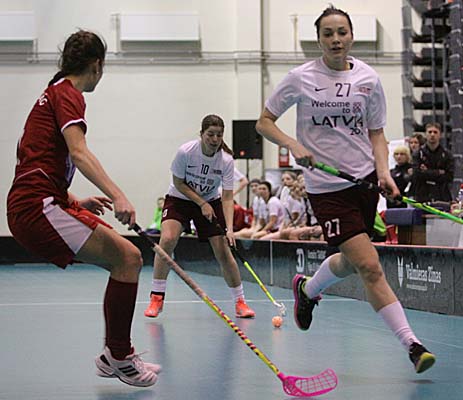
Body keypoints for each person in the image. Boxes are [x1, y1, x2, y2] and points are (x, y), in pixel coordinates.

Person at [254, 5, 435, 373]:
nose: (335, 40)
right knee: (369, 265)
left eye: (341, 32)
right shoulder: (300, 78)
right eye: (328, 34)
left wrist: (383, 172)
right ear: (318, 39)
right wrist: (293, 144)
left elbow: (376, 133)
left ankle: (307, 289)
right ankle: (413, 345)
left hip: (364, 182)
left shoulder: (368, 78)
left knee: (352, 262)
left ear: (351, 36)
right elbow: (264, 122)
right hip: (327, 188)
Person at [5, 31, 160, 387]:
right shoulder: (68, 94)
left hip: (40, 203)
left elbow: (37, 164)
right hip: (36, 209)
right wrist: (119, 195)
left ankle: (115, 354)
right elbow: (78, 152)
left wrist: (75, 200)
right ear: (97, 65)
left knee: (126, 258)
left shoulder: (52, 93)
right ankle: (118, 356)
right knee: (129, 258)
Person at [143, 114, 255, 319]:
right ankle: (157, 297)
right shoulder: (186, 152)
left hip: (212, 201)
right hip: (180, 199)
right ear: (201, 134)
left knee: (223, 251)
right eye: (210, 134)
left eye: (219, 135)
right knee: (167, 240)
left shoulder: (226, 161)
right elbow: (179, 183)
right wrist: (201, 203)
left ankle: (240, 302)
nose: (215, 139)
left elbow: (227, 197)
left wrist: (230, 229)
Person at [412, 122, 454, 203]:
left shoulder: (447, 154)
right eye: (430, 132)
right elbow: (417, 175)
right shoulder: (418, 154)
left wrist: (427, 171)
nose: (432, 135)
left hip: (442, 195)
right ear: (425, 134)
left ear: (440, 135)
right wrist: (438, 172)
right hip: (423, 196)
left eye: (435, 132)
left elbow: (449, 177)